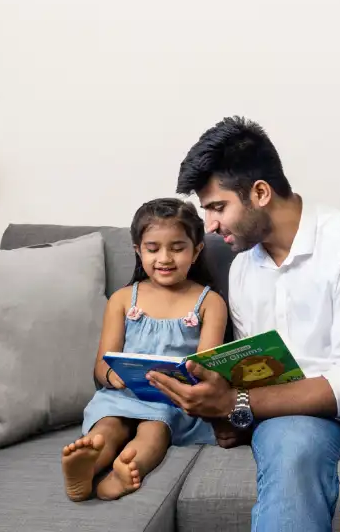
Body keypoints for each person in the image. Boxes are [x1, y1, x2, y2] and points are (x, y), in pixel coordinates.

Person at [146, 116, 340, 532]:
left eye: (218, 207)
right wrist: (234, 417)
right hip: (292, 399)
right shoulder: (244, 267)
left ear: (260, 192)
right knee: (290, 465)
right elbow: (255, 371)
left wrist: (235, 403)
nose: (209, 225)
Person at [61, 198, 229, 502]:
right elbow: (102, 365)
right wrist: (115, 377)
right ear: (138, 250)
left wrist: (186, 380)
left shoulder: (209, 303)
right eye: (153, 249)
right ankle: (86, 467)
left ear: (197, 251)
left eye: (177, 248)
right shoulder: (124, 299)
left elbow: (208, 368)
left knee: (154, 430)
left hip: (173, 401)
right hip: (122, 395)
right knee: (108, 426)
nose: (165, 258)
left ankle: (124, 471)